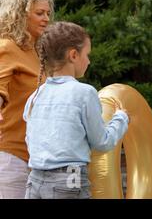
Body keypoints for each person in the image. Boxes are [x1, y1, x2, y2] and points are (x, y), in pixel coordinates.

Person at [23, 21, 129, 199]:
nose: (89, 61)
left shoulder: (35, 96)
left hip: (35, 180)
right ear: (73, 55)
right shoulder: (84, 93)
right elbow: (102, 142)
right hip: (70, 178)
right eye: (87, 54)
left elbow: (30, 139)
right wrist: (121, 119)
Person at [0, 0, 54, 198]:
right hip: (9, 155)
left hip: (36, 159)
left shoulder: (38, 52)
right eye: (39, 13)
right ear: (19, 15)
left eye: (48, 13)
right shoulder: (6, 47)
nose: (46, 18)